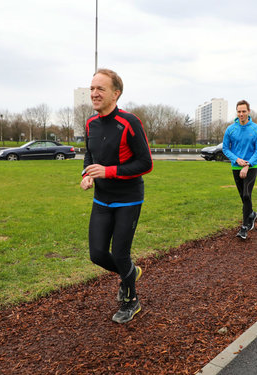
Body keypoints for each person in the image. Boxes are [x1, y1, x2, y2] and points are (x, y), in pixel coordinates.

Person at [80, 68, 153, 324]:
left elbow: (146, 163)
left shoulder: (129, 122)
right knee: (97, 254)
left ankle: (131, 300)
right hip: (102, 199)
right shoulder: (90, 123)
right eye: (92, 88)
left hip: (128, 199)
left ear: (116, 93)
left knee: (120, 253)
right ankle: (131, 273)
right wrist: (86, 174)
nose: (94, 93)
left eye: (100, 88)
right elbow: (90, 156)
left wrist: (108, 171)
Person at [223, 100, 257, 240]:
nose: (241, 114)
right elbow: (225, 148)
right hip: (236, 166)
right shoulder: (230, 129)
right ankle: (252, 214)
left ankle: (245, 227)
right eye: (239, 111)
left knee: (246, 195)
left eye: (244, 111)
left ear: (249, 112)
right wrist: (237, 160)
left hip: (252, 167)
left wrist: (247, 165)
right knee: (243, 197)